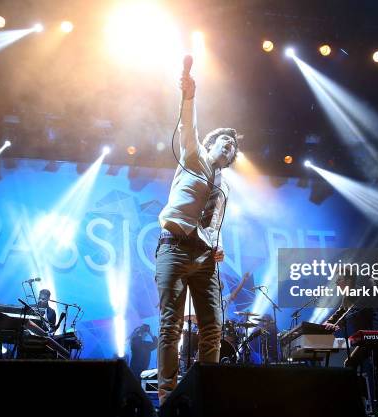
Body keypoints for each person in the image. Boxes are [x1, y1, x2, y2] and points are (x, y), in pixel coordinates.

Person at [155, 63, 239, 404]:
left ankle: (206, 395)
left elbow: (216, 223)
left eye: (233, 148)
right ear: (211, 143)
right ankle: (166, 396)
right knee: (170, 326)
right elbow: (188, 123)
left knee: (213, 328)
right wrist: (189, 95)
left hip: (205, 258)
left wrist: (217, 246)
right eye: (224, 141)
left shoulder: (225, 187)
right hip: (174, 249)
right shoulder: (193, 154)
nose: (229, 147)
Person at [324, 273, 378, 408]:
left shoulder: (358, 292)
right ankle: (360, 401)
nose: (336, 283)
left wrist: (337, 325)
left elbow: (353, 311)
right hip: (366, 339)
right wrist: (326, 323)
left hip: (376, 336)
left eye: (338, 280)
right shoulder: (346, 297)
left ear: (348, 280)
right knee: (352, 364)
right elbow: (340, 313)